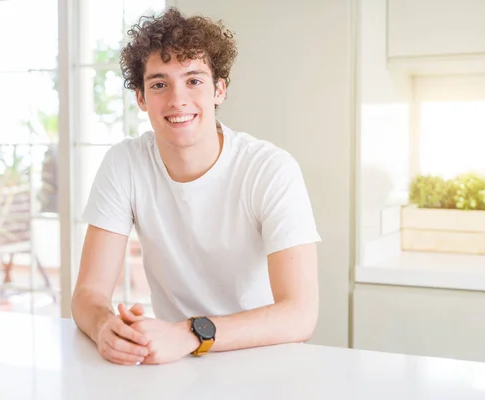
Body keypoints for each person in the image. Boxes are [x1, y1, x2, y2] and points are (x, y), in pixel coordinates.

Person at [72, 7, 321, 366]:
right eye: (159, 84)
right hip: (176, 361)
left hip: (264, 359)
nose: (177, 100)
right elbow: (88, 293)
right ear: (141, 98)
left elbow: (300, 314)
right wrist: (105, 327)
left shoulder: (270, 169)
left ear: (219, 89)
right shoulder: (124, 163)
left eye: (193, 80)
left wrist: (190, 333)